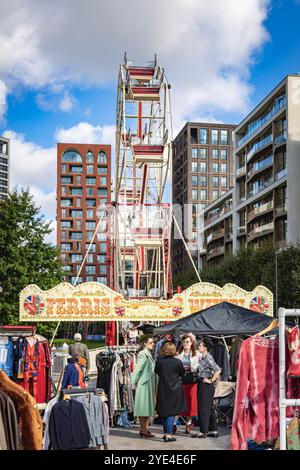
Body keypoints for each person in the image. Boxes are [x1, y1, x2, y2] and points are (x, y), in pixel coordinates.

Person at [155, 342, 186, 442]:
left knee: (164, 411)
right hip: (175, 389)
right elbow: (182, 373)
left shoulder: (159, 362)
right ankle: (168, 435)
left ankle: (166, 433)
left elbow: (157, 372)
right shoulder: (177, 362)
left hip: (163, 388)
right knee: (172, 412)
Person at [192, 337, 221, 439]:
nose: (198, 346)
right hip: (204, 384)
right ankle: (213, 430)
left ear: (205, 348)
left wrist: (211, 380)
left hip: (206, 384)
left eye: (200, 345)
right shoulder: (204, 357)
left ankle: (203, 431)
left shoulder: (208, 357)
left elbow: (218, 370)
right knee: (209, 408)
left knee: (203, 408)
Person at [131, 335, 156, 438]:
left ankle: (145, 429)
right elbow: (138, 369)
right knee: (143, 407)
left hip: (147, 383)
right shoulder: (143, 354)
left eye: (153, 342)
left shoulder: (147, 353)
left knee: (147, 407)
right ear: (145, 344)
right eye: (151, 343)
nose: (153, 344)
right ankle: (143, 429)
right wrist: (133, 382)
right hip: (144, 383)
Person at [177, 333, 201, 434]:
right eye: (183, 342)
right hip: (181, 380)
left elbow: (202, 366)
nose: (185, 343)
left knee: (191, 401)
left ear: (191, 343)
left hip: (192, 380)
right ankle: (174, 423)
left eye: (187, 342)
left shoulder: (197, 354)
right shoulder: (178, 354)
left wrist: (197, 369)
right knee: (181, 402)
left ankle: (189, 422)